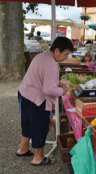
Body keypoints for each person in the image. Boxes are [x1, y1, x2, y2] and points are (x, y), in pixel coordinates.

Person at [16, 37, 73, 166]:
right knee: (40, 127)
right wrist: (62, 91)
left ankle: (23, 149)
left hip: (25, 93)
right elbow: (48, 89)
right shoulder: (51, 64)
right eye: (66, 54)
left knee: (27, 124)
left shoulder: (41, 56)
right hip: (36, 99)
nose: (66, 57)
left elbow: (40, 76)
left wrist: (56, 82)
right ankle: (38, 158)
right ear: (57, 50)